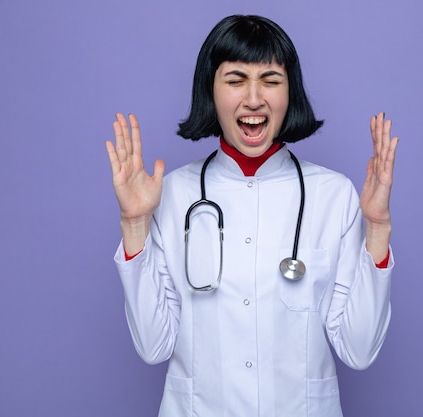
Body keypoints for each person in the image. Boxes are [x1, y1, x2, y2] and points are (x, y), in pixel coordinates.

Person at [105, 14, 399, 417]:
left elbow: (360, 350)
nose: (254, 98)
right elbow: (154, 346)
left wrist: (378, 230)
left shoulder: (333, 195)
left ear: (289, 93)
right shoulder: (171, 195)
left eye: (271, 81)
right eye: (236, 80)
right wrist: (135, 224)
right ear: (211, 90)